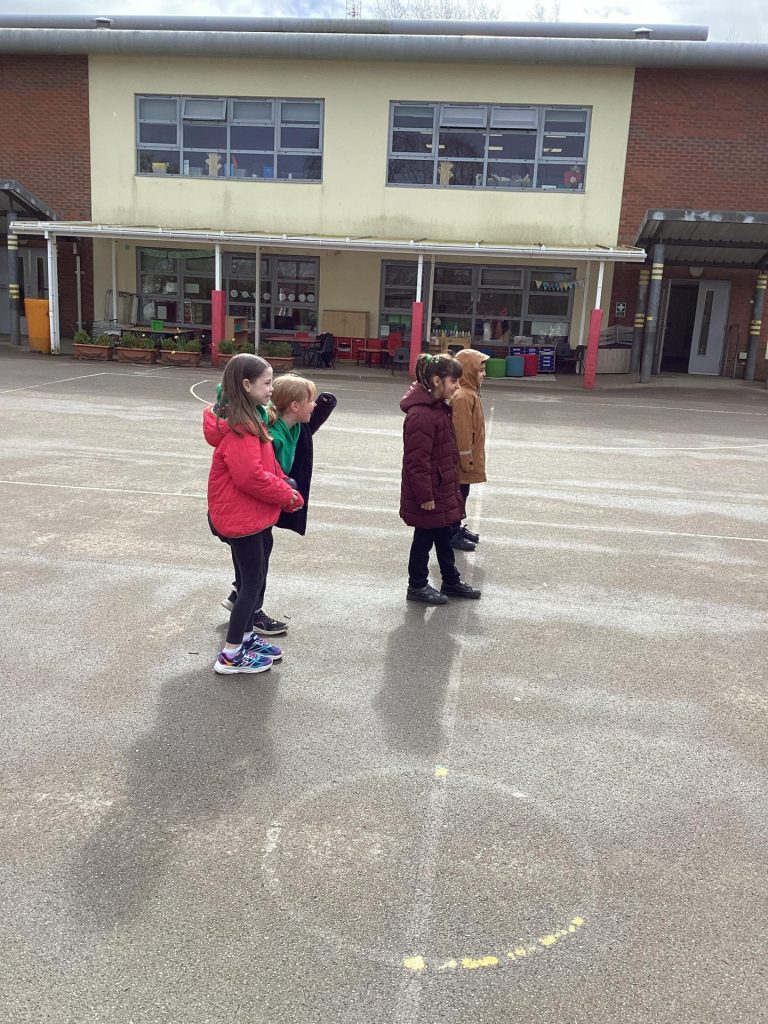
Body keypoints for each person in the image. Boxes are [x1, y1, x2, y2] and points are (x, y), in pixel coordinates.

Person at [205, 353, 303, 675]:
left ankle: (246, 638)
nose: (272, 389)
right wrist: (286, 494)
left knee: (253, 580)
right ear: (247, 385)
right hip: (241, 520)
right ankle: (231, 654)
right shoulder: (242, 429)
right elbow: (250, 477)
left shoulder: (252, 420)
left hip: (250, 516)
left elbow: (266, 465)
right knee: (250, 584)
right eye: (267, 383)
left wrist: (283, 480)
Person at [221, 372, 337, 633]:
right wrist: (286, 491)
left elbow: (310, 424)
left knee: (256, 560)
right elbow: (255, 478)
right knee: (255, 563)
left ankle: (240, 600)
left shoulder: (293, 427)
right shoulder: (270, 436)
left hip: (263, 507)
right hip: (248, 510)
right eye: (310, 400)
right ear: (294, 406)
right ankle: (249, 617)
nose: (313, 405)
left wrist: (325, 404)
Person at [400, 353, 482, 605]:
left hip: (441, 487)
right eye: (453, 381)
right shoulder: (421, 415)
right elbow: (417, 461)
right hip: (429, 493)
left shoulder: (438, 408)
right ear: (437, 381)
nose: (457, 386)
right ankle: (417, 585)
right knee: (423, 540)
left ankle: (450, 580)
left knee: (444, 536)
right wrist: (425, 496)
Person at [449, 348, 490, 551]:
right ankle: (452, 531)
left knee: (462, 492)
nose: (484, 374)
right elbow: (462, 432)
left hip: (467, 457)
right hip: (461, 459)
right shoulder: (463, 397)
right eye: (480, 370)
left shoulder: (470, 393)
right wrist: (466, 459)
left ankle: (456, 527)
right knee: (458, 494)